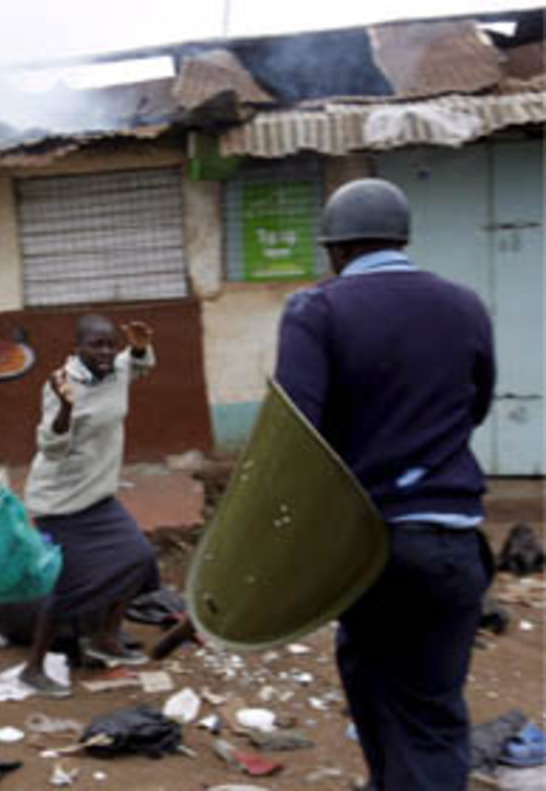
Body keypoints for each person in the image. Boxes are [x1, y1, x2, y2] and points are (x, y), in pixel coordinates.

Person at [275, 178, 495, 790]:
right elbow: (475, 406)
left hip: (367, 546)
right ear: (401, 238)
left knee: (378, 683)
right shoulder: (465, 305)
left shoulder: (316, 311)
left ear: (335, 250)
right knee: (424, 703)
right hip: (453, 543)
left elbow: (295, 440)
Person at [18, 315, 162, 696]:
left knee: (139, 557)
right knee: (71, 585)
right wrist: (66, 409)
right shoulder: (62, 383)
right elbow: (50, 446)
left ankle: (105, 637)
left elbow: (141, 364)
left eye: (110, 344)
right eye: (95, 345)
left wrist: (141, 344)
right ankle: (33, 668)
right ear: (77, 347)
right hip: (59, 501)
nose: (104, 352)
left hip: (97, 496)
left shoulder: (116, 368)